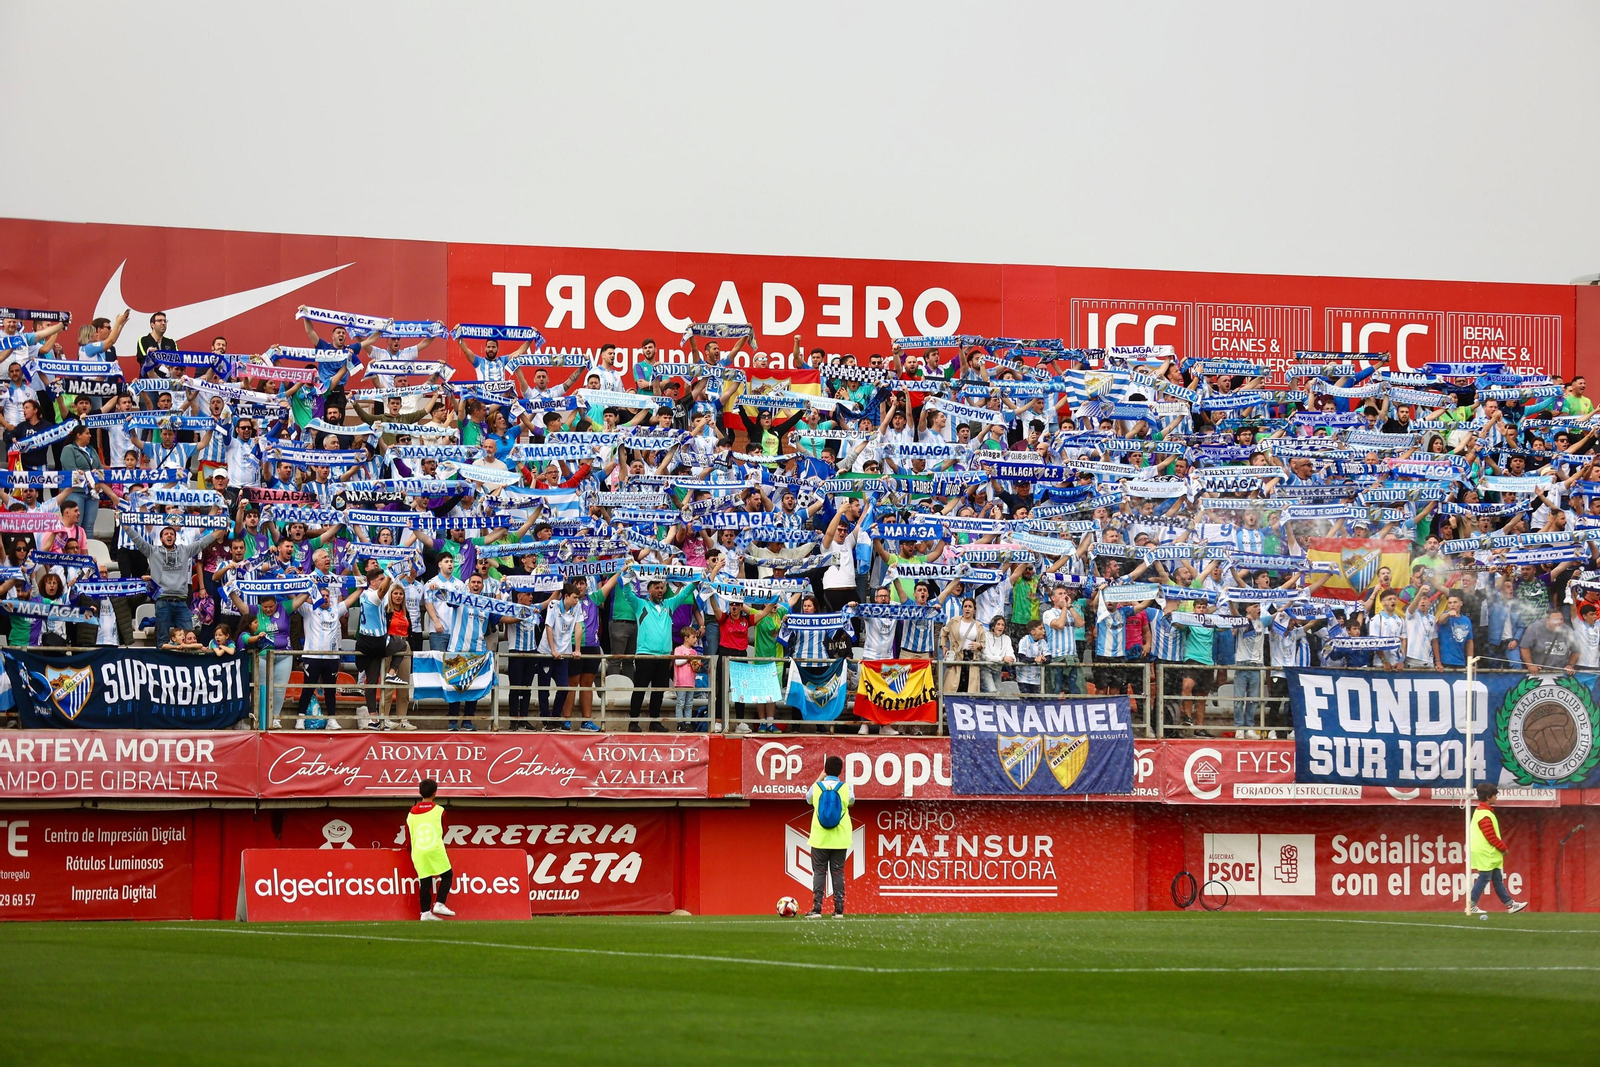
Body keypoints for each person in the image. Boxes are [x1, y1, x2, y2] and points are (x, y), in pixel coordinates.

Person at [804, 755, 853, 919]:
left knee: (819, 872)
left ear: (825, 769)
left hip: (820, 837)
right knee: (838, 873)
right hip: (841, 838)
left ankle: (817, 908)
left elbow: (808, 799)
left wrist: (819, 778)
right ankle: (839, 909)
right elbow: (852, 801)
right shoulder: (846, 788)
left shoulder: (817, 787)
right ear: (841, 771)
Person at [1468, 782, 1528, 915]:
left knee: (1496, 879)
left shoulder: (1483, 812)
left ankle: (1510, 904)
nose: (1496, 797)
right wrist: (1503, 848)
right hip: (1486, 851)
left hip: (1487, 851)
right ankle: (1471, 904)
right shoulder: (1484, 814)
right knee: (1484, 877)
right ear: (1489, 797)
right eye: (1495, 795)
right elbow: (1490, 836)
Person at [407, 779, 455, 921]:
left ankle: (425, 913)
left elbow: (408, 834)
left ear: (419, 792)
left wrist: (409, 849)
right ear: (435, 793)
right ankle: (440, 903)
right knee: (447, 875)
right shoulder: (439, 810)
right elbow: (443, 830)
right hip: (434, 848)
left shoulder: (411, 813)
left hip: (418, 851)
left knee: (425, 881)